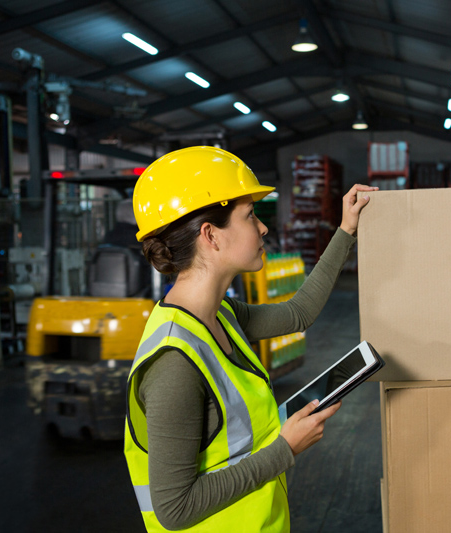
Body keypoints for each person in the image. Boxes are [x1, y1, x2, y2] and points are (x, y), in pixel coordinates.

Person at [124, 146, 376, 532]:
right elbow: (174, 509)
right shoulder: (173, 365)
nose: (262, 228)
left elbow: (298, 314)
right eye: (249, 215)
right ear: (211, 235)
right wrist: (284, 449)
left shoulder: (221, 315)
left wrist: (346, 230)